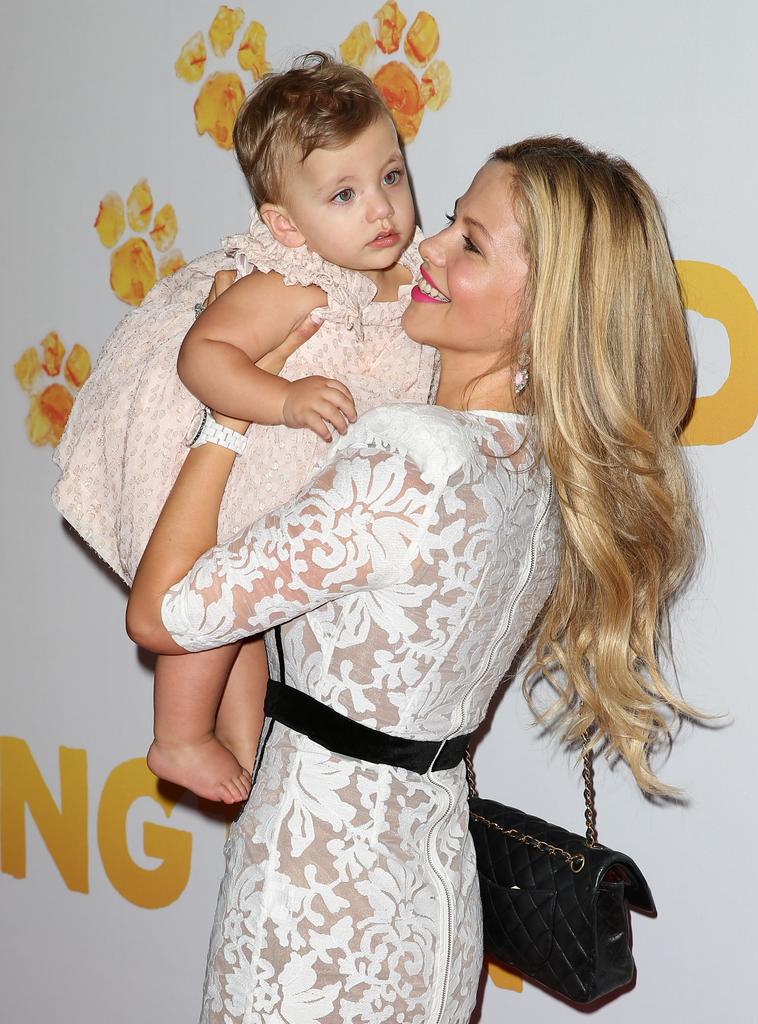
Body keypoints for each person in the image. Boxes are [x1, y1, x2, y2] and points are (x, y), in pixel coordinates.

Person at [126, 137, 700, 1024]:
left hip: (312, 903)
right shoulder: (544, 469)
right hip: (432, 903)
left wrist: (226, 416)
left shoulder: (413, 455)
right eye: (449, 224)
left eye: (470, 243)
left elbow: (168, 614)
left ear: (545, 308)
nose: (424, 245)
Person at [52, 54, 436, 803]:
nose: (381, 210)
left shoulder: (406, 269)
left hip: (289, 477)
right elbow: (205, 355)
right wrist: (283, 400)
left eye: (391, 177)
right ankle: (177, 736)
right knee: (215, 603)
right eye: (344, 194)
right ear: (285, 225)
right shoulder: (291, 280)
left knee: (248, 626)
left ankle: (235, 739)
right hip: (244, 455)